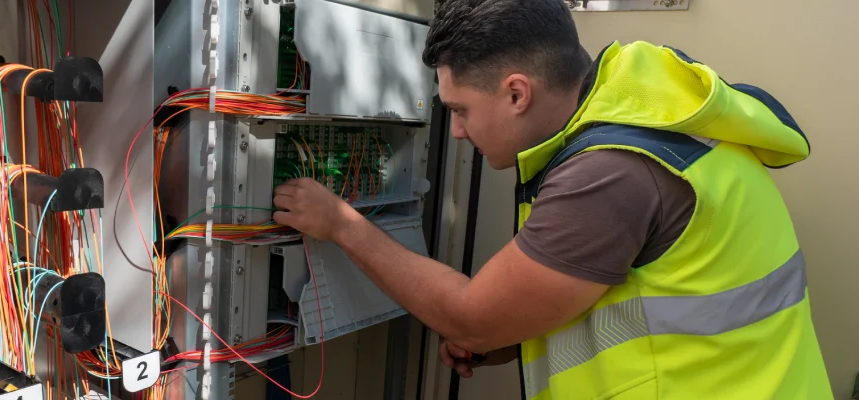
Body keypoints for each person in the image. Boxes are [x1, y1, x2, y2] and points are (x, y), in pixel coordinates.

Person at [272, 0, 833, 398]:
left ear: (517, 93)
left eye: (461, 110)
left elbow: (469, 319)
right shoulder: (646, 112)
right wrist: (517, 334)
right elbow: (646, 303)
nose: (457, 132)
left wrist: (342, 224)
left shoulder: (610, 174)